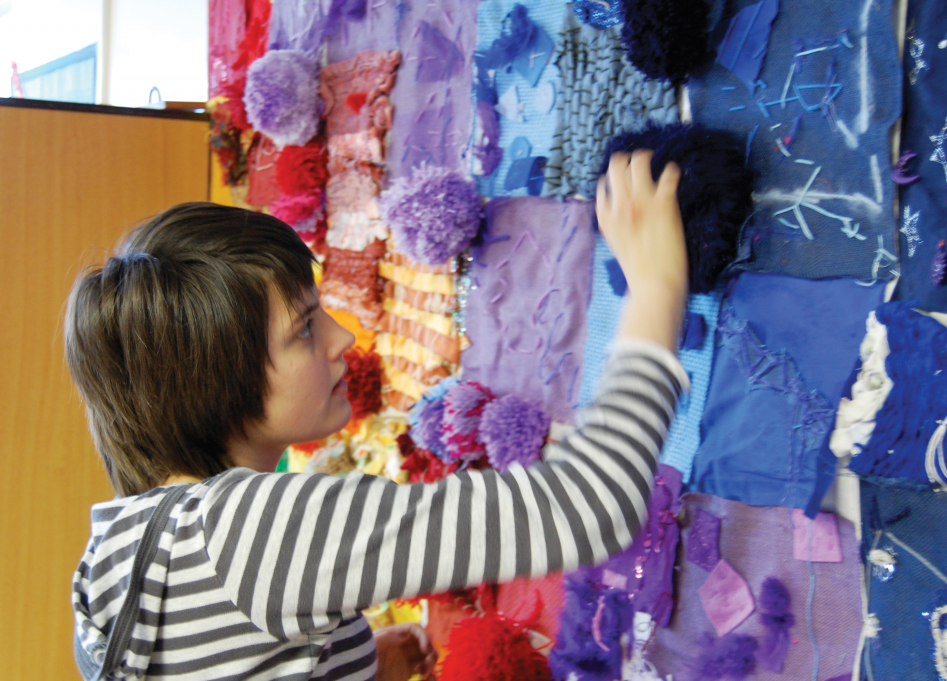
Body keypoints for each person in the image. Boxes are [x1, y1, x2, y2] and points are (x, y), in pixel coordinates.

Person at [68, 150, 688, 681]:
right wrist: (657, 288)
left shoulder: (109, 558)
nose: (343, 339)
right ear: (216, 387)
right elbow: (587, 504)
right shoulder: (252, 531)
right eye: (305, 330)